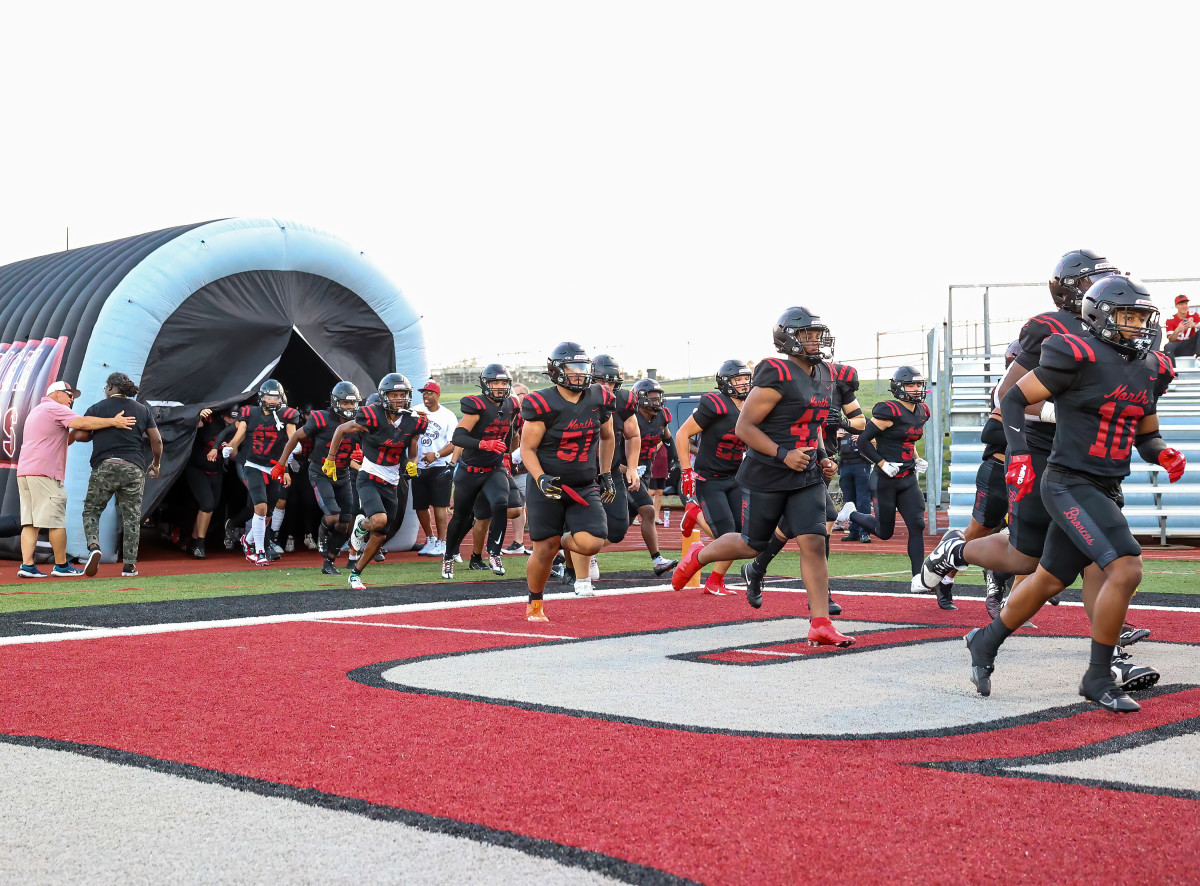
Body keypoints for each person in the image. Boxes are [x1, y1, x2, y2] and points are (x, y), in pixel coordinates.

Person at [917, 250, 1163, 681]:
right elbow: (1008, 397)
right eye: (1097, 279)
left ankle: (1110, 656)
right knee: (1025, 556)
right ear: (1071, 290)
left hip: (1094, 459)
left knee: (1096, 556)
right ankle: (959, 549)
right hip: (1049, 450)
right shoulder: (1054, 330)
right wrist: (1068, 411)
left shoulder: (1129, 334)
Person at [965, 275, 1183, 713]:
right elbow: (1010, 399)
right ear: (1099, 316)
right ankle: (1098, 676)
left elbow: (1147, 435)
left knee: (1049, 577)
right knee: (1125, 566)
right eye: (1127, 315)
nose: (1137, 326)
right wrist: (1021, 455)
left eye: (1142, 317)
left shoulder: (1152, 367)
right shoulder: (1076, 353)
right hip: (1067, 481)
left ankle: (983, 641)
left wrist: (1163, 454)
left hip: (1105, 482)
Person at [672, 307, 854, 648]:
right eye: (807, 335)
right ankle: (700, 553)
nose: (815, 341)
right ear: (788, 338)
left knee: (813, 541)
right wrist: (783, 454)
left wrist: (825, 458)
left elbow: (811, 424)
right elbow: (744, 427)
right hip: (767, 472)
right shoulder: (776, 371)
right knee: (750, 543)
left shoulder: (826, 373)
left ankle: (820, 623)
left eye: (817, 334)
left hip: (806, 473)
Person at [520, 341, 616, 622]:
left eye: (583, 367)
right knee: (544, 548)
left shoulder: (599, 397)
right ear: (557, 371)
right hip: (548, 485)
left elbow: (608, 437)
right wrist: (540, 478)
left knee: (591, 543)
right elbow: (527, 449)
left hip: (585, 483)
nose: (579, 373)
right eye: (572, 367)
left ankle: (562, 540)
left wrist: (607, 472)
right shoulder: (542, 402)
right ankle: (535, 603)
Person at [16, 380, 137, 578]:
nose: (71, 399)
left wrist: (75, 432)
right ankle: (62, 565)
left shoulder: (38, 411)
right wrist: (113, 422)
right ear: (56, 394)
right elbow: (83, 422)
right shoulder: (55, 408)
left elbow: (66, 439)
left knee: (30, 523)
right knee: (56, 522)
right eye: (69, 394)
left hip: (26, 472)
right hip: (46, 474)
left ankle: (27, 565)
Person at [845, 366, 936, 604]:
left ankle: (918, 578)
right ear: (899, 388)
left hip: (907, 478)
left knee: (917, 524)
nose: (916, 389)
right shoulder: (889, 410)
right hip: (885, 480)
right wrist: (882, 463)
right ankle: (852, 513)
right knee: (884, 533)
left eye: (918, 384)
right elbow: (864, 442)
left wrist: (916, 459)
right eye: (910, 385)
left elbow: (908, 438)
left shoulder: (923, 411)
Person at [327, 374, 426, 590]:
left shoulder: (414, 420)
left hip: (392, 481)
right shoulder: (372, 415)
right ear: (384, 397)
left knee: (381, 535)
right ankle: (361, 525)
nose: (399, 399)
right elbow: (340, 429)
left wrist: (412, 461)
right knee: (379, 520)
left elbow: (413, 444)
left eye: (402, 395)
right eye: (394, 395)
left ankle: (355, 573)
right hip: (369, 477)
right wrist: (331, 459)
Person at [674, 359, 751, 595]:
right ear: (726, 383)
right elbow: (682, 434)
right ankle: (694, 514)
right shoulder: (714, 404)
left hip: (736, 477)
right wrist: (687, 470)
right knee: (726, 535)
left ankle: (714, 580)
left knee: (744, 537)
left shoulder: (754, 404)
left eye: (746, 378)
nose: (744, 384)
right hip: (710, 478)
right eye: (738, 379)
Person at [77, 372, 164, 578]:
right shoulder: (142, 410)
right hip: (134, 468)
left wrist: (97, 429)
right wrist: (156, 463)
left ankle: (94, 547)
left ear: (110, 387)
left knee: (91, 510)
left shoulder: (97, 408)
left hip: (105, 466)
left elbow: (80, 434)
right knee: (131, 517)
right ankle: (129, 566)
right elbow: (157, 441)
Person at [441, 364, 521, 578]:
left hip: (494, 468)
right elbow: (458, 438)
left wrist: (508, 453)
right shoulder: (477, 406)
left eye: (503, 383)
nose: (499, 387)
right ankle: (448, 556)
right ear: (486, 384)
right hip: (470, 470)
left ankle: (494, 553)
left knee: (501, 504)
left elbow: (512, 429)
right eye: (495, 382)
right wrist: (485, 444)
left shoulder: (512, 404)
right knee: (461, 517)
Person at [276, 381, 362, 575]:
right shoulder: (321, 418)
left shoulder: (359, 423)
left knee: (345, 522)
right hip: (320, 472)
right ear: (335, 402)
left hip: (343, 474)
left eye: (352, 403)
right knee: (333, 517)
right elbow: (296, 437)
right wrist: (281, 464)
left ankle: (329, 562)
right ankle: (321, 532)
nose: (349, 407)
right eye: (345, 403)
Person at [227, 379, 301, 566]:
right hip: (253, 465)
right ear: (262, 397)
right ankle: (259, 551)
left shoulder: (287, 415)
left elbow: (292, 434)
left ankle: (248, 539)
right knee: (259, 507)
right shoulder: (250, 413)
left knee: (268, 513)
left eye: (276, 397)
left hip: (274, 466)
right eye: (269, 396)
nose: (273, 400)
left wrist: (295, 443)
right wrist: (231, 446)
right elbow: (240, 433)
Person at [627, 378, 679, 577]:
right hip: (626, 472)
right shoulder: (630, 419)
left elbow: (667, 437)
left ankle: (571, 550)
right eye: (652, 398)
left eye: (659, 398)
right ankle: (657, 560)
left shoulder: (662, 416)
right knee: (648, 511)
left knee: (620, 527)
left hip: (644, 472)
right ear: (640, 399)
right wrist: (627, 469)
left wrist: (675, 460)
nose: (657, 402)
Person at [412, 380, 458, 557]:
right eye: (424, 393)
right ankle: (430, 539)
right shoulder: (416, 412)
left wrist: (436, 454)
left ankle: (442, 541)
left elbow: (454, 443)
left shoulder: (447, 416)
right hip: (419, 466)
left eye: (429, 393)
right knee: (420, 506)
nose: (426, 396)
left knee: (440, 505)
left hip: (440, 465)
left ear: (438, 395)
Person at [503, 383, 532, 555]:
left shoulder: (529, 415)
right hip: (512, 466)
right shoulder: (508, 415)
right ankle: (518, 542)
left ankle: (540, 542)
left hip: (525, 466)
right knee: (517, 505)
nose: (514, 397)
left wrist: (513, 457)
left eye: (518, 393)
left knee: (536, 504)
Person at [1164, 294, 1200, 359]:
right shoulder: (1170, 319)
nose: (1184, 306)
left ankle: (1199, 357)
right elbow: (1171, 339)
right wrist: (1177, 330)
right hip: (1179, 346)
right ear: (1176, 306)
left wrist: (1194, 325)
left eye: (1186, 304)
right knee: (1168, 346)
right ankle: (1172, 367)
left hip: (1191, 345)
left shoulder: (1194, 315)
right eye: (1181, 304)